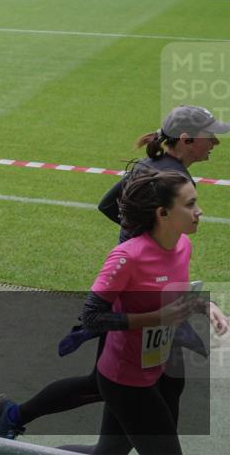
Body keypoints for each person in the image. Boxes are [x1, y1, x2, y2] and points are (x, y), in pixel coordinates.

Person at [0, 105, 229, 444]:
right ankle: (15, 415)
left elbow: (107, 205)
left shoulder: (150, 168)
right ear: (187, 139)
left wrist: (150, 244)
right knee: (110, 384)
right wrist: (149, 248)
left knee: (163, 382)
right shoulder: (171, 181)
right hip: (135, 297)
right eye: (210, 137)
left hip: (151, 295)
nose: (215, 143)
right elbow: (97, 308)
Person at [82, 170, 224, 454]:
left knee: (107, 453)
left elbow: (173, 297)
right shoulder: (127, 257)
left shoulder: (183, 245)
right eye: (190, 204)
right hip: (124, 380)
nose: (199, 211)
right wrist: (156, 319)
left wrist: (206, 306)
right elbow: (91, 317)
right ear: (163, 213)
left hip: (155, 371)